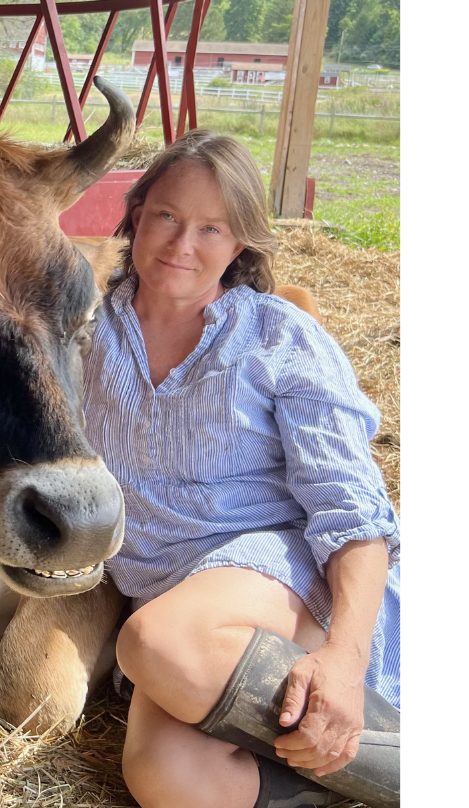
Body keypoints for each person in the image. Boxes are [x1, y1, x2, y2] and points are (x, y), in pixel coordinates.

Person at [80, 131, 400, 808]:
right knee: (165, 776)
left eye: (211, 228)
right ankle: (332, 779)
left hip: (276, 572)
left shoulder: (280, 337)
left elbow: (355, 513)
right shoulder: (85, 333)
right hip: (173, 606)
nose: (182, 244)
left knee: (156, 640)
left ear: (240, 244)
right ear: (136, 214)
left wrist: (345, 660)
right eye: (167, 216)